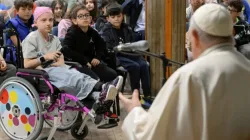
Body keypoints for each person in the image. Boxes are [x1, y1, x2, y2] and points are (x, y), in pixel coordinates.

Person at [120, 4, 250, 140]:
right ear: (232, 33)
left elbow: (151, 135)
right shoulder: (247, 68)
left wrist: (134, 112)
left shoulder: (190, 77)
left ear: (194, 36)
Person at [21, 7, 123, 117]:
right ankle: (103, 88)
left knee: (78, 75)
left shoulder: (54, 39)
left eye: (50, 20)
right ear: (35, 22)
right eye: (44, 20)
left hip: (57, 69)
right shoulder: (31, 39)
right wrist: (44, 58)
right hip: (41, 74)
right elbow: (26, 64)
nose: (48, 23)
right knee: (73, 77)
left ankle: (97, 98)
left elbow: (60, 61)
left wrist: (56, 64)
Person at [100, 2, 152, 108]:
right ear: (108, 18)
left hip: (130, 55)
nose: (116, 19)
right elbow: (109, 50)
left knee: (144, 65)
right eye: (113, 17)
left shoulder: (126, 28)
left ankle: (147, 97)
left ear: (122, 16)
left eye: (118, 16)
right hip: (117, 57)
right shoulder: (106, 31)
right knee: (135, 67)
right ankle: (135, 97)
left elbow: (132, 44)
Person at [63, 5, 117, 82]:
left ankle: (111, 89)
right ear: (74, 20)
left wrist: (97, 57)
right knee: (95, 80)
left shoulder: (92, 31)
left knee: (112, 74)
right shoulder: (72, 33)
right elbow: (66, 50)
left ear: (90, 18)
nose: (84, 18)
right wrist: (83, 60)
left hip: (91, 62)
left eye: (86, 15)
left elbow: (101, 44)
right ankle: (103, 90)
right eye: (80, 16)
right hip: (77, 63)